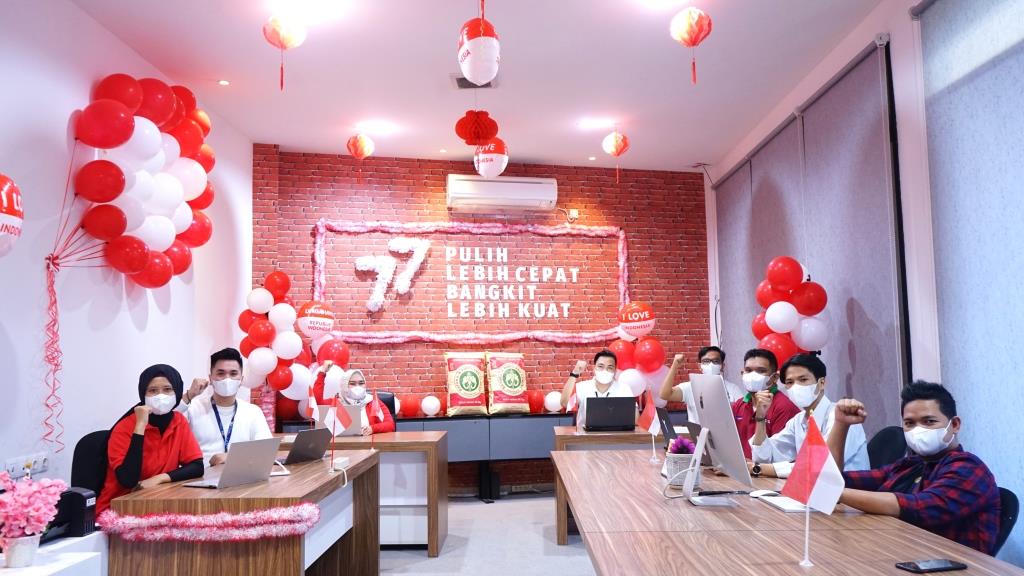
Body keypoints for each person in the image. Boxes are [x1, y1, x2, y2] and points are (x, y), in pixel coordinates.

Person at [829, 381, 1001, 555]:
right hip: (903, 554)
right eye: (910, 423)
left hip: (954, 564)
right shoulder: (911, 465)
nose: (919, 430)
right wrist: (841, 424)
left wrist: (836, 492)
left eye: (929, 421)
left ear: (955, 424)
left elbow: (918, 507)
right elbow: (832, 477)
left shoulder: (969, 469)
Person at [96, 365, 203, 514]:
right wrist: (140, 426)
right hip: (117, 510)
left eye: (167, 389)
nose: (160, 396)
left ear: (177, 392)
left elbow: (197, 467)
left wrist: (159, 478)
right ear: (143, 394)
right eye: (152, 390)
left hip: (155, 503)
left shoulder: (179, 421)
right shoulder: (124, 427)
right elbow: (128, 480)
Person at [748, 353, 868, 478]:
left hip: (850, 488)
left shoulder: (842, 417)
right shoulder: (798, 420)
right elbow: (766, 457)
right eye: (790, 382)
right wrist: (760, 418)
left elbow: (821, 467)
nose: (796, 386)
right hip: (815, 486)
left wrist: (759, 468)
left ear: (821, 383)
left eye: (803, 380)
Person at [179, 348, 272, 466]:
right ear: (210, 379)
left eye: (233, 374)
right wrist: (189, 395)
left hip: (240, 474)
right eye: (221, 373)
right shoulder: (193, 408)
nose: (227, 379)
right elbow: (167, 422)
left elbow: (265, 450)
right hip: (200, 475)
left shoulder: (253, 412)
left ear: (241, 380)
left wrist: (231, 457)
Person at [728, 348, 801, 459]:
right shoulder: (739, 404)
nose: (753, 376)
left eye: (761, 371)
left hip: (765, 469)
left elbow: (779, 455)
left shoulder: (784, 407)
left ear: (774, 378)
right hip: (741, 467)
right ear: (742, 374)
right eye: (748, 370)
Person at [659, 346, 744, 423]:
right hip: (698, 434)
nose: (711, 365)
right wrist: (674, 366)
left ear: (722, 366)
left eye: (716, 361)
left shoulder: (733, 389)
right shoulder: (691, 387)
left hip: (725, 433)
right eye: (706, 361)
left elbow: (743, 413)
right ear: (700, 366)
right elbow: (665, 395)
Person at [560, 350, 633, 428]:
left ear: (615, 370)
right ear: (594, 368)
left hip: (616, 433)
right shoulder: (581, 387)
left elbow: (634, 418)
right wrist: (575, 373)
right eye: (600, 366)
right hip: (585, 434)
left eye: (610, 367)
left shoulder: (624, 389)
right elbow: (564, 403)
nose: (605, 370)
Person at [331, 366, 395, 435]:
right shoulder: (337, 402)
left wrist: (372, 429)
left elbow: (390, 425)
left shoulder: (373, 401)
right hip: (344, 441)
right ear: (344, 386)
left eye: (361, 383)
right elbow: (328, 428)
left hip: (368, 440)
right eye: (352, 383)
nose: (357, 386)